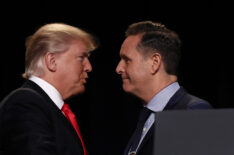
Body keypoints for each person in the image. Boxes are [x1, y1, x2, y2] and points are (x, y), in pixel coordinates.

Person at [116, 21, 212, 155]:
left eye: (126, 60)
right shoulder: (146, 116)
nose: (118, 68)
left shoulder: (193, 112)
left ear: (155, 63)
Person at [0, 23, 98, 155]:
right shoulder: (25, 103)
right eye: (81, 58)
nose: (88, 67)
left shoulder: (54, 110)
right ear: (52, 61)